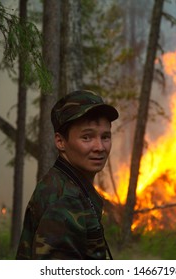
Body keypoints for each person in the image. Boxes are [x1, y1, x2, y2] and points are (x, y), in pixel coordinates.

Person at [16, 90, 119, 260]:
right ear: (60, 142)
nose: (100, 147)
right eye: (87, 137)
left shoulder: (67, 184)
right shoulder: (66, 201)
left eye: (105, 137)